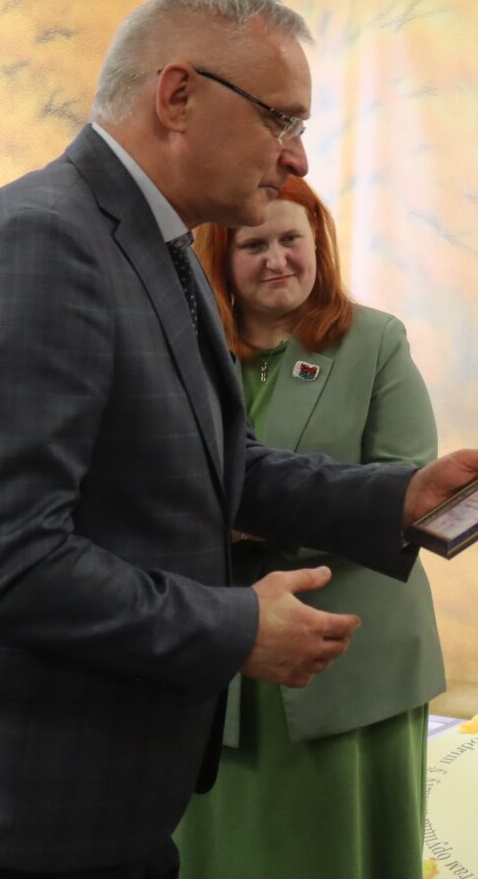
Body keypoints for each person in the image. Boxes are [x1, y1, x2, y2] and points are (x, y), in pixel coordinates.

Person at [0, 0, 478, 879]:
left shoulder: (150, 243)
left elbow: (216, 463)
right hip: (16, 798)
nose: (298, 159)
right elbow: (7, 557)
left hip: (83, 776)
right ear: (179, 96)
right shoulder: (42, 246)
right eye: (282, 119)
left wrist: (399, 497)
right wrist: (236, 628)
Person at [172, 176, 442, 877]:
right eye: (254, 245)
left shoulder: (376, 340)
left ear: (318, 243)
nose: (277, 259)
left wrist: (247, 529)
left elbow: (408, 485)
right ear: (221, 256)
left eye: (291, 238)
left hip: (350, 666)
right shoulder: (186, 349)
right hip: (221, 659)